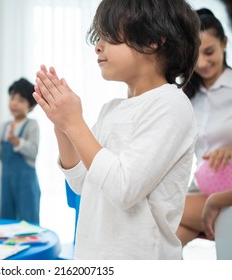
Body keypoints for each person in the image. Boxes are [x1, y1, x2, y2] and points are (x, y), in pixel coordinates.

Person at [33, 0, 200, 259]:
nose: (98, 46)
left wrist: (74, 123)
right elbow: (81, 183)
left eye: (109, 37)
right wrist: (62, 127)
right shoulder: (111, 109)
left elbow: (124, 188)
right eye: (98, 37)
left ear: (153, 40)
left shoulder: (171, 104)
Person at [177, 8, 232, 245]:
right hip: (200, 185)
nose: (202, 63)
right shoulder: (187, 97)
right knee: (162, 244)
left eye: (209, 52)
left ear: (224, 43)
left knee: (162, 213)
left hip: (227, 191)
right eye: (195, 56)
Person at [0, 78, 41, 224]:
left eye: (20, 100)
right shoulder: (4, 126)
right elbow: (0, 154)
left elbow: (33, 151)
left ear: (31, 106)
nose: (14, 103)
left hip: (26, 183)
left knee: (29, 221)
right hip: (6, 181)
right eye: (12, 98)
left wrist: (15, 140)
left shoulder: (32, 125)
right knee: (6, 221)